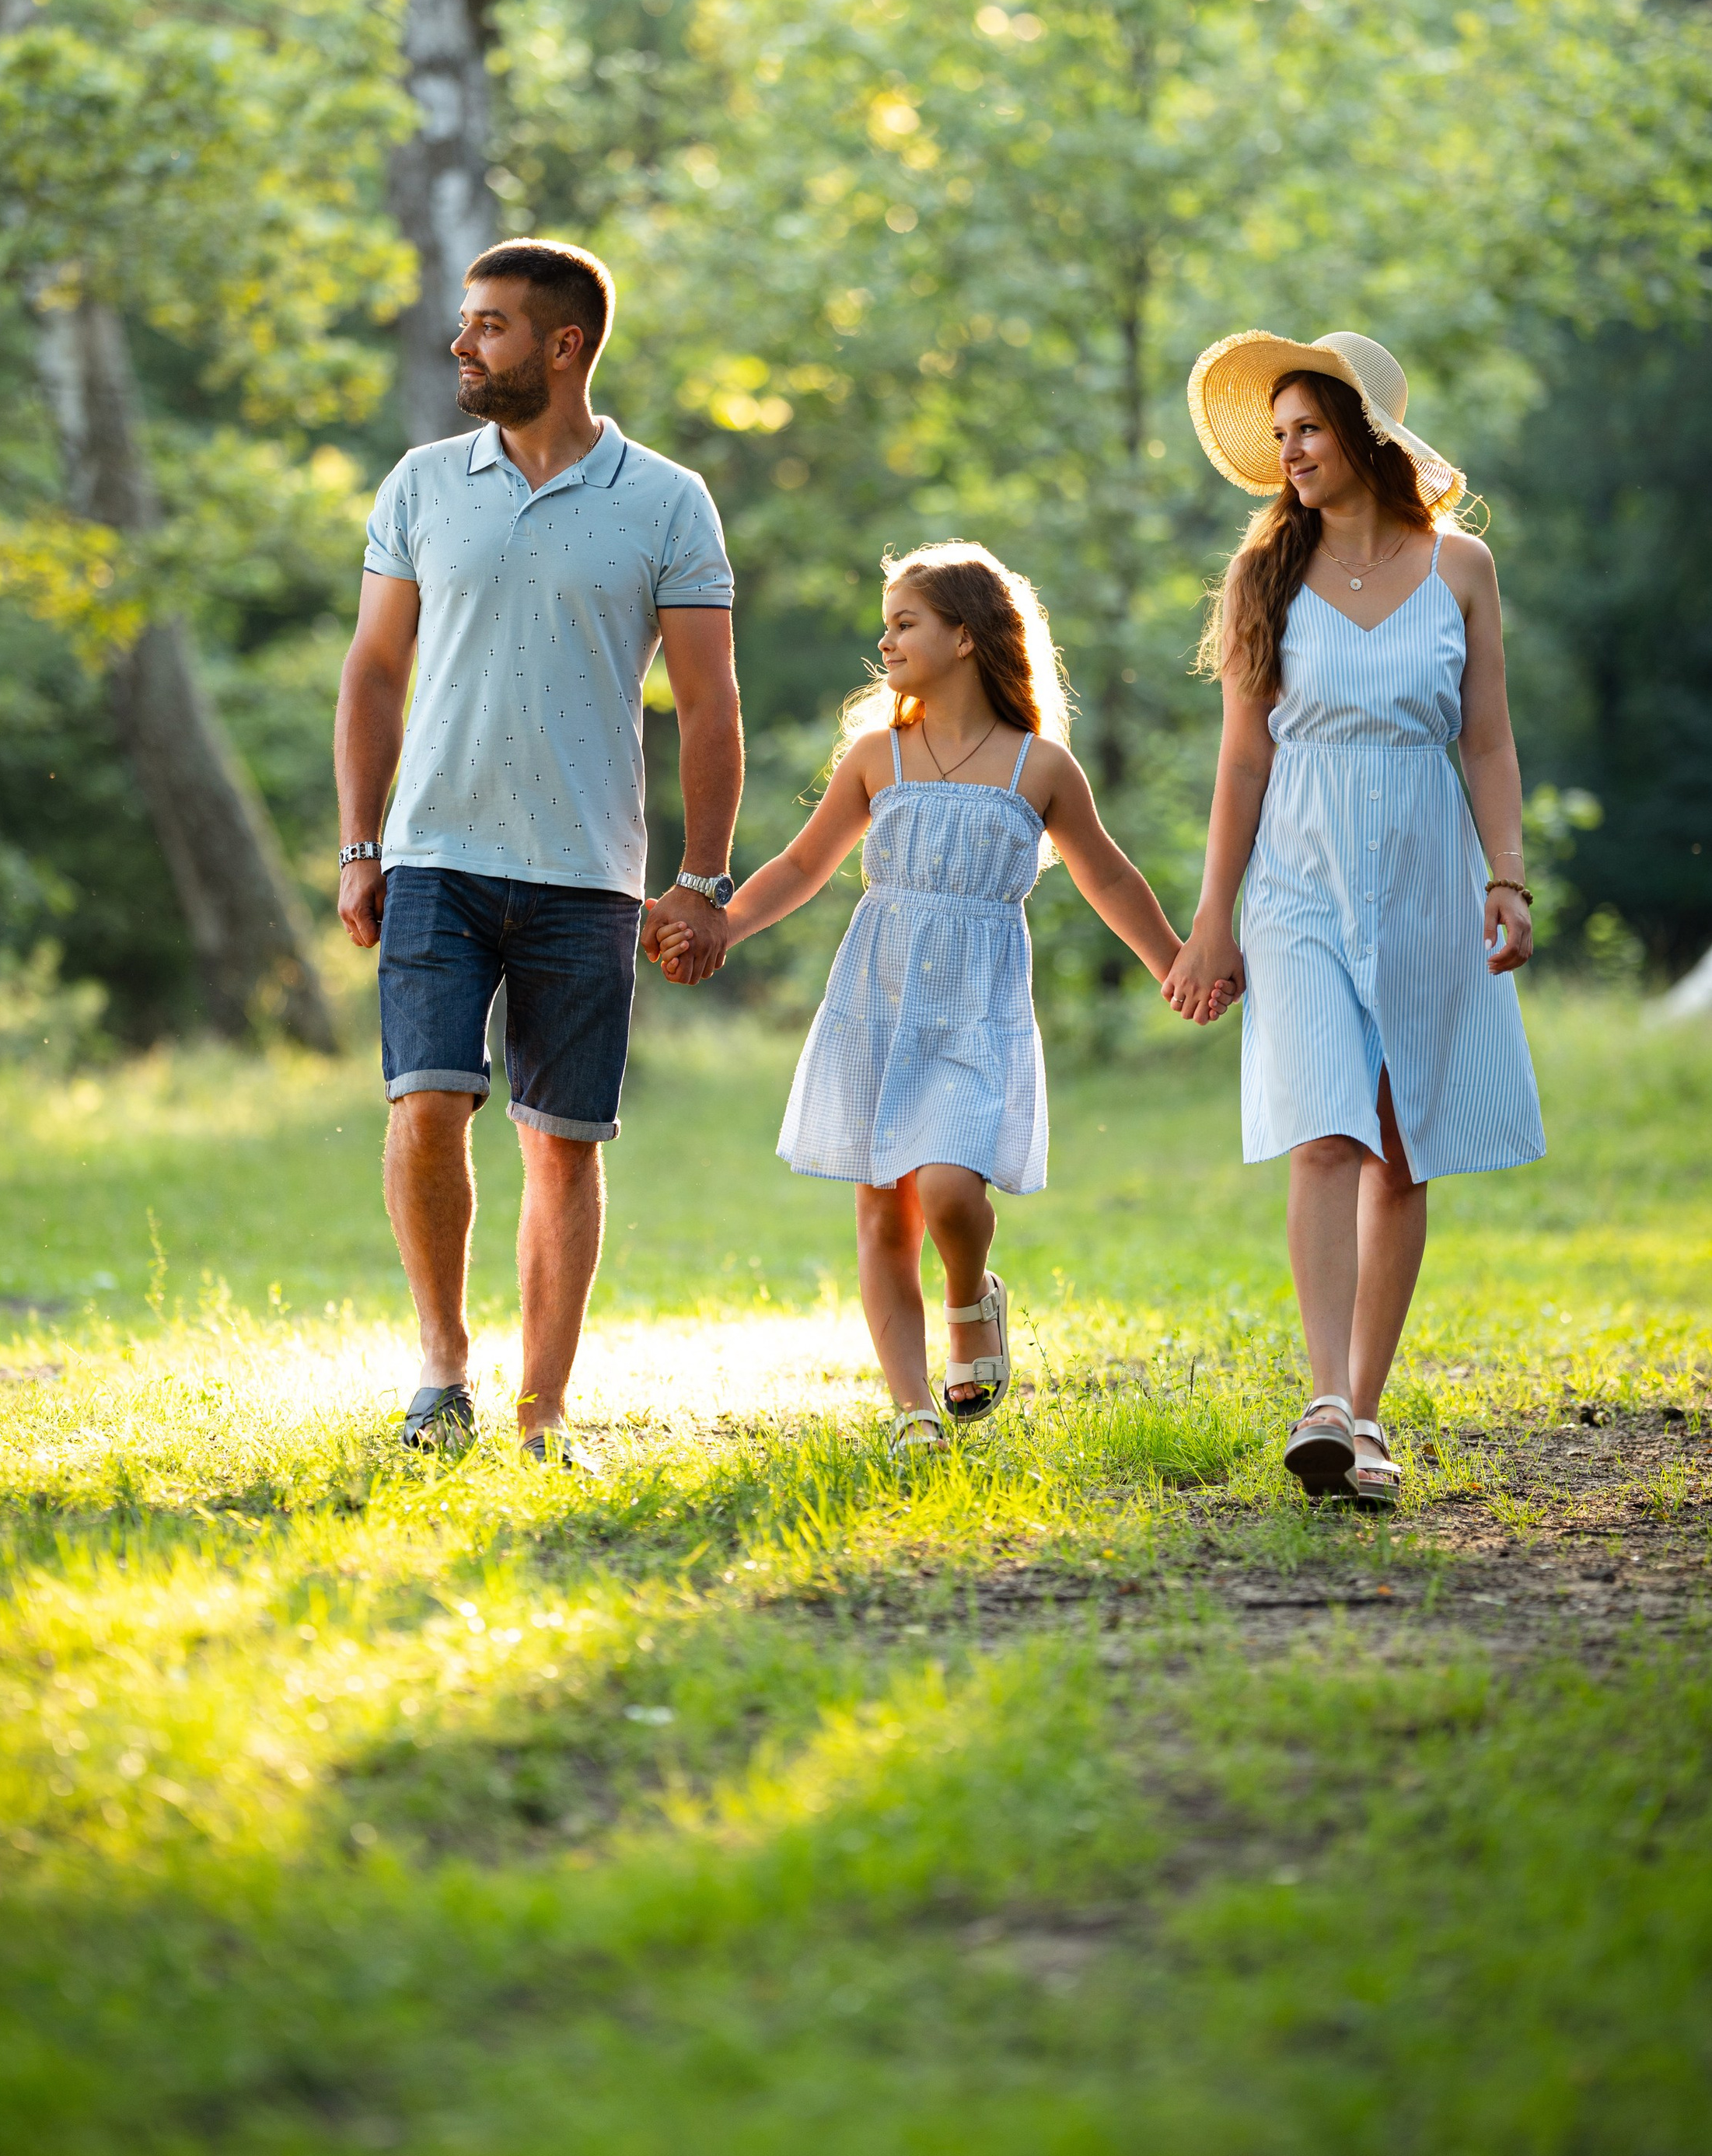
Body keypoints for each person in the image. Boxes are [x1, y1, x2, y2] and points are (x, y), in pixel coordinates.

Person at [334, 240, 743, 1466]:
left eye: (490, 326)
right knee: (426, 1104)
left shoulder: (667, 500)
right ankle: (441, 1368)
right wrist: (362, 843)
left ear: (564, 347)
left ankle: (544, 1406)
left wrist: (704, 879)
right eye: (465, 323)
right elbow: (371, 669)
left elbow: (713, 705)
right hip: (435, 853)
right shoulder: (421, 483)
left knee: (563, 1138)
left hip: (586, 871)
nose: (462, 344)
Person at [654, 543, 1180, 1448]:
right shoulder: (877, 757)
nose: (886, 640)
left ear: (966, 637)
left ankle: (971, 1295)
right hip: (878, 997)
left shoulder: (1037, 767)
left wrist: (1175, 960)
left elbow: (1109, 878)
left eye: (906, 623)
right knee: (881, 1202)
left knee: (945, 1188)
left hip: (978, 1007)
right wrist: (720, 926)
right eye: (886, 624)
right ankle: (911, 1409)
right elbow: (802, 864)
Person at [1162, 330, 1545, 1509]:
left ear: (1366, 434)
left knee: (1401, 1136)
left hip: (1428, 867)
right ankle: (1323, 1399)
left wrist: (1508, 874)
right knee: (1324, 1130)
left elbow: (1485, 736)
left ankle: (1367, 1415)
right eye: (1278, 437)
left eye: (1308, 429)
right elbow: (1239, 763)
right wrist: (1212, 917)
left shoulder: (1462, 568)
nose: (1290, 455)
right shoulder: (1263, 578)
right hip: (1296, 876)